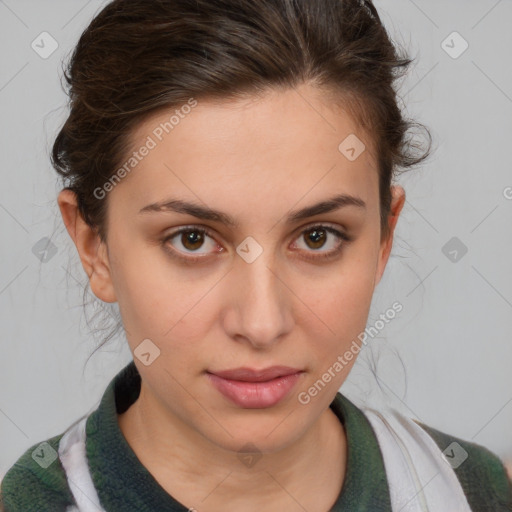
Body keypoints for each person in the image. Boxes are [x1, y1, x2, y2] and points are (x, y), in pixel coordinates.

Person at [1, 0, 511, 510]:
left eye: (318, 237)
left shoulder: (476, 493)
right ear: (96, 250)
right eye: (192, 239)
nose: (262, 323)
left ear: (384, 237)